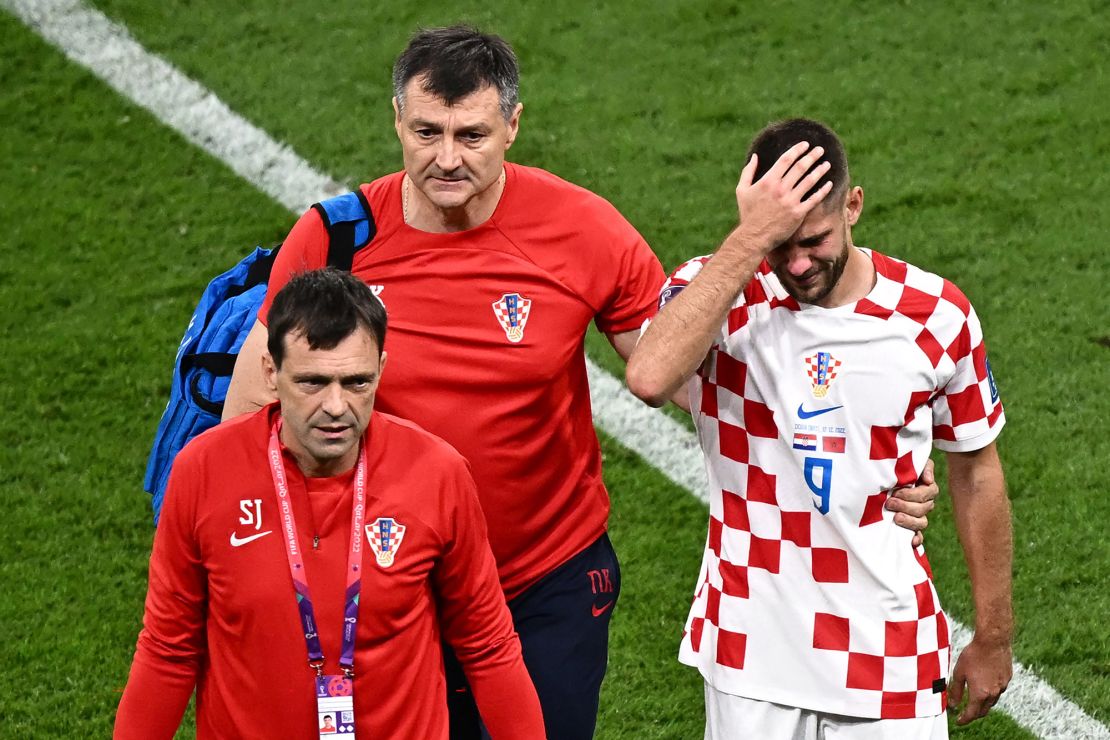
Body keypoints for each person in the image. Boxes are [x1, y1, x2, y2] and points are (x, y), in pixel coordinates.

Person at [220, 27, 938, 738]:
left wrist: (869, 456)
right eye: (425, 132)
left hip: (544, 585)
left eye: (469, 135)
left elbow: (689, 378)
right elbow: (250, 413)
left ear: (512, 127)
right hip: (382, 583)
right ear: (397, 123)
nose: (444, 159)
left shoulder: (581, 229)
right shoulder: (336, 241)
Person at [626, 119, 1013, 739]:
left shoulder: (935, 316)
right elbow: (648, 377)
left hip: (887, 647)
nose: (799, 264)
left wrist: (993, 635)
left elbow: (976, 470)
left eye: (815, 239)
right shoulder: (720, 296)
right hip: (751, 651)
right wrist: (751, 241)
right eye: (782, 245)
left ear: (853, 205)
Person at [115, 269, 545, 739]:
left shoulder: (437, 474)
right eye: (313, 383)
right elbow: (168, 650)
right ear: (270, 373)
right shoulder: (203, 472)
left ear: (382, 368)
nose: (337, 406)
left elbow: (487, 647)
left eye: (357, 382)